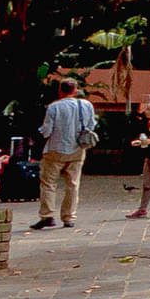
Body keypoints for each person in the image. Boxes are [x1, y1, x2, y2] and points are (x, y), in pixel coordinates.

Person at [31, 74, 99, 230]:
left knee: (48, 183)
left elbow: (47, 131)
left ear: (60, 91)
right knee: (73, 184)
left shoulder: (54, 107)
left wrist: (39, 133)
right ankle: (69, 217)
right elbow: (91, 125)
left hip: (56, 149)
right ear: (75, 91)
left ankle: (47, 215)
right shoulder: (86, 105)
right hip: (78, 149)